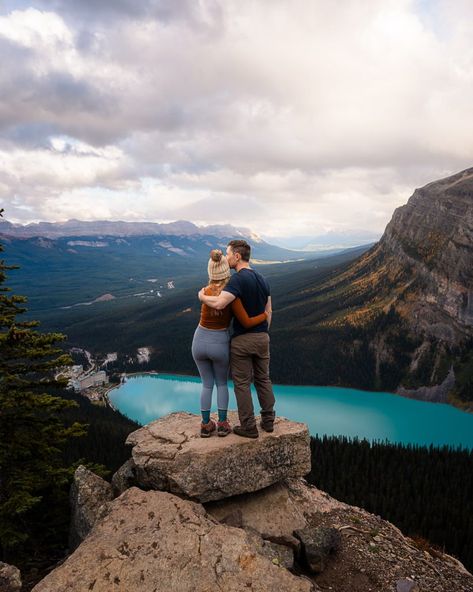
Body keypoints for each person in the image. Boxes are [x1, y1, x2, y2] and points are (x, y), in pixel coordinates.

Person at [198, 239, 275, 438]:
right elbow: (269, 310)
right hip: (263, 337)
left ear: (238, 256)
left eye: (229, 253)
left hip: (243, 340)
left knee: (242, 383)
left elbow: (220, 304)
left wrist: (202, 297)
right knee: (263, 379)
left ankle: (249, 427)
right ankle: (268, 421)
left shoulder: (237, 280)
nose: (227, 257)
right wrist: (264, 332)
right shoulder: (262, 279)